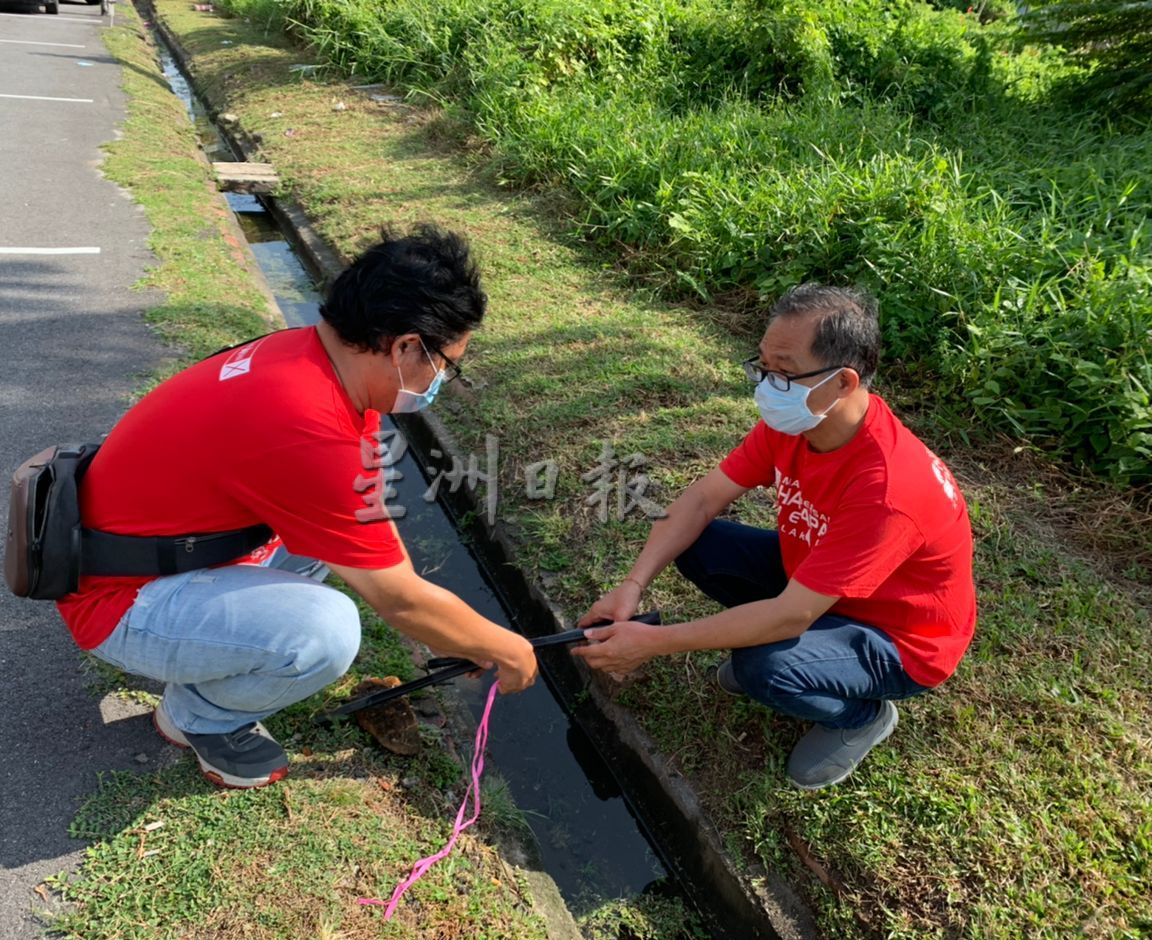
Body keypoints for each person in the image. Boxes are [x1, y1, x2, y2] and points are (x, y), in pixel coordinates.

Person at [57, 225, 537, 789]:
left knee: (336, 555)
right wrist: (508, 648)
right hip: (117, 602)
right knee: (325, 631)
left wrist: (465, 633)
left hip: (144, 552)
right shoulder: (309, 424)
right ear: (406, 346)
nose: (440, 384)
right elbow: (400, 600)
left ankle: (204, 669)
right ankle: (199, 719)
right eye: (446, 366)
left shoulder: (305, 358)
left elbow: (369, 529)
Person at [575, 284, 976, 790]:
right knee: (700, 542)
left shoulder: (890, 487)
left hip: (899, 637)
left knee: (764, 667)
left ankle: (859, 719)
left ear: (842, 382)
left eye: (783, 372)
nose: (767, 385)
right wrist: (631, 587)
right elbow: (701, 500)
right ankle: (806, 657)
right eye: (762, 367)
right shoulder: (797, 425)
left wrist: (653, 643)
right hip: (817, 582)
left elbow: (792, 614)